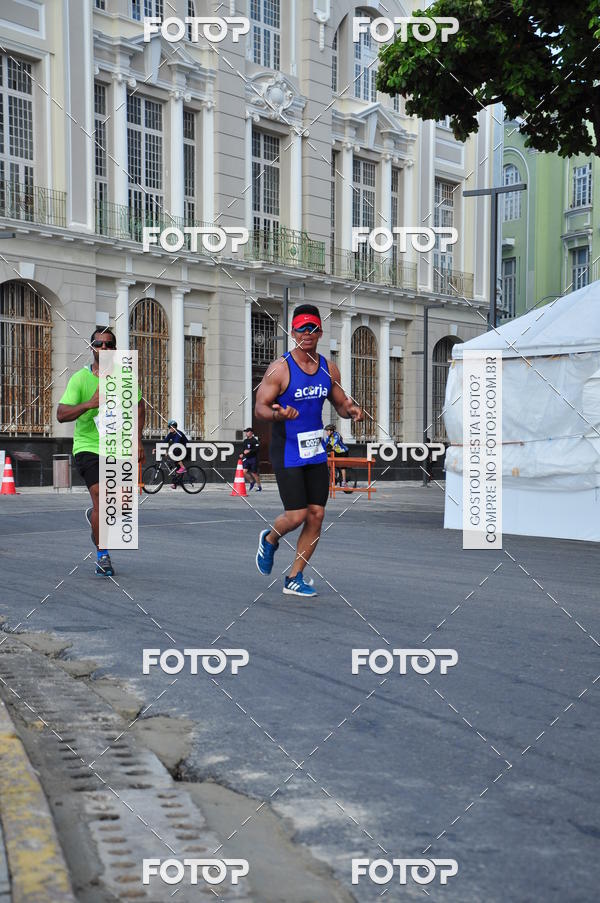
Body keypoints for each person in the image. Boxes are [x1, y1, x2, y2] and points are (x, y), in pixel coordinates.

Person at [254, 304, 362, 597]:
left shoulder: (328, 368)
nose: (307, 334)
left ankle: (294, 577)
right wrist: (278, 414)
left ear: (320, 332)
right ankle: (271, 538)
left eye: (312, 328)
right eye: (302, 328)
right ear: (293, 332)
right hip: (287, 449)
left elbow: (339, 403)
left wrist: (350, 409)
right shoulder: (280, 369)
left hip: (315, 450)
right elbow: (260, 407)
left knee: (316, 514)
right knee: (297, 515)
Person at [57, 327, 145, 576]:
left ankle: (94, 516)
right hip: (88, 446)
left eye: (109, 345)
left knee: (116, 504)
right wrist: (89, 404)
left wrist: (137, 441)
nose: (104, 348)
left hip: (117, 446)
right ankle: (103, 554)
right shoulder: (80, 379)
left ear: (114, 349)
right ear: (92, 348)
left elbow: (139, 407)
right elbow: (61, 415)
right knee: (101, 495)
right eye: (99, 344)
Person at [161, 420, 189, 489]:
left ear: (175, 428)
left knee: (175, 452)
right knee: (176, 468)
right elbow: (165, 441)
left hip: (187, 449)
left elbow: (175, 444)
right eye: (169, 427)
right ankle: (175, 483)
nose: (170, 429)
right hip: (179, 450)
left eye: (171, 427)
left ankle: (183, 467)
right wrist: (156, 448)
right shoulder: (171, 434)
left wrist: (168, 452)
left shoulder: (178, 433)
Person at [242, 426, 262, 491]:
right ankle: (251, 482)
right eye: (246, 432)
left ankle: (259, 486)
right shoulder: (245, 441)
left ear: (251, 433)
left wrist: (250, 450)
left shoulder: (255, 441)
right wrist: (242, 453)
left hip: (253, 459)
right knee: (244, 472)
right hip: (247, 459)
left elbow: (257, 449)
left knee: (254, 473)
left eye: (247, 432)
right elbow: (243, 449)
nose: (246, 433)